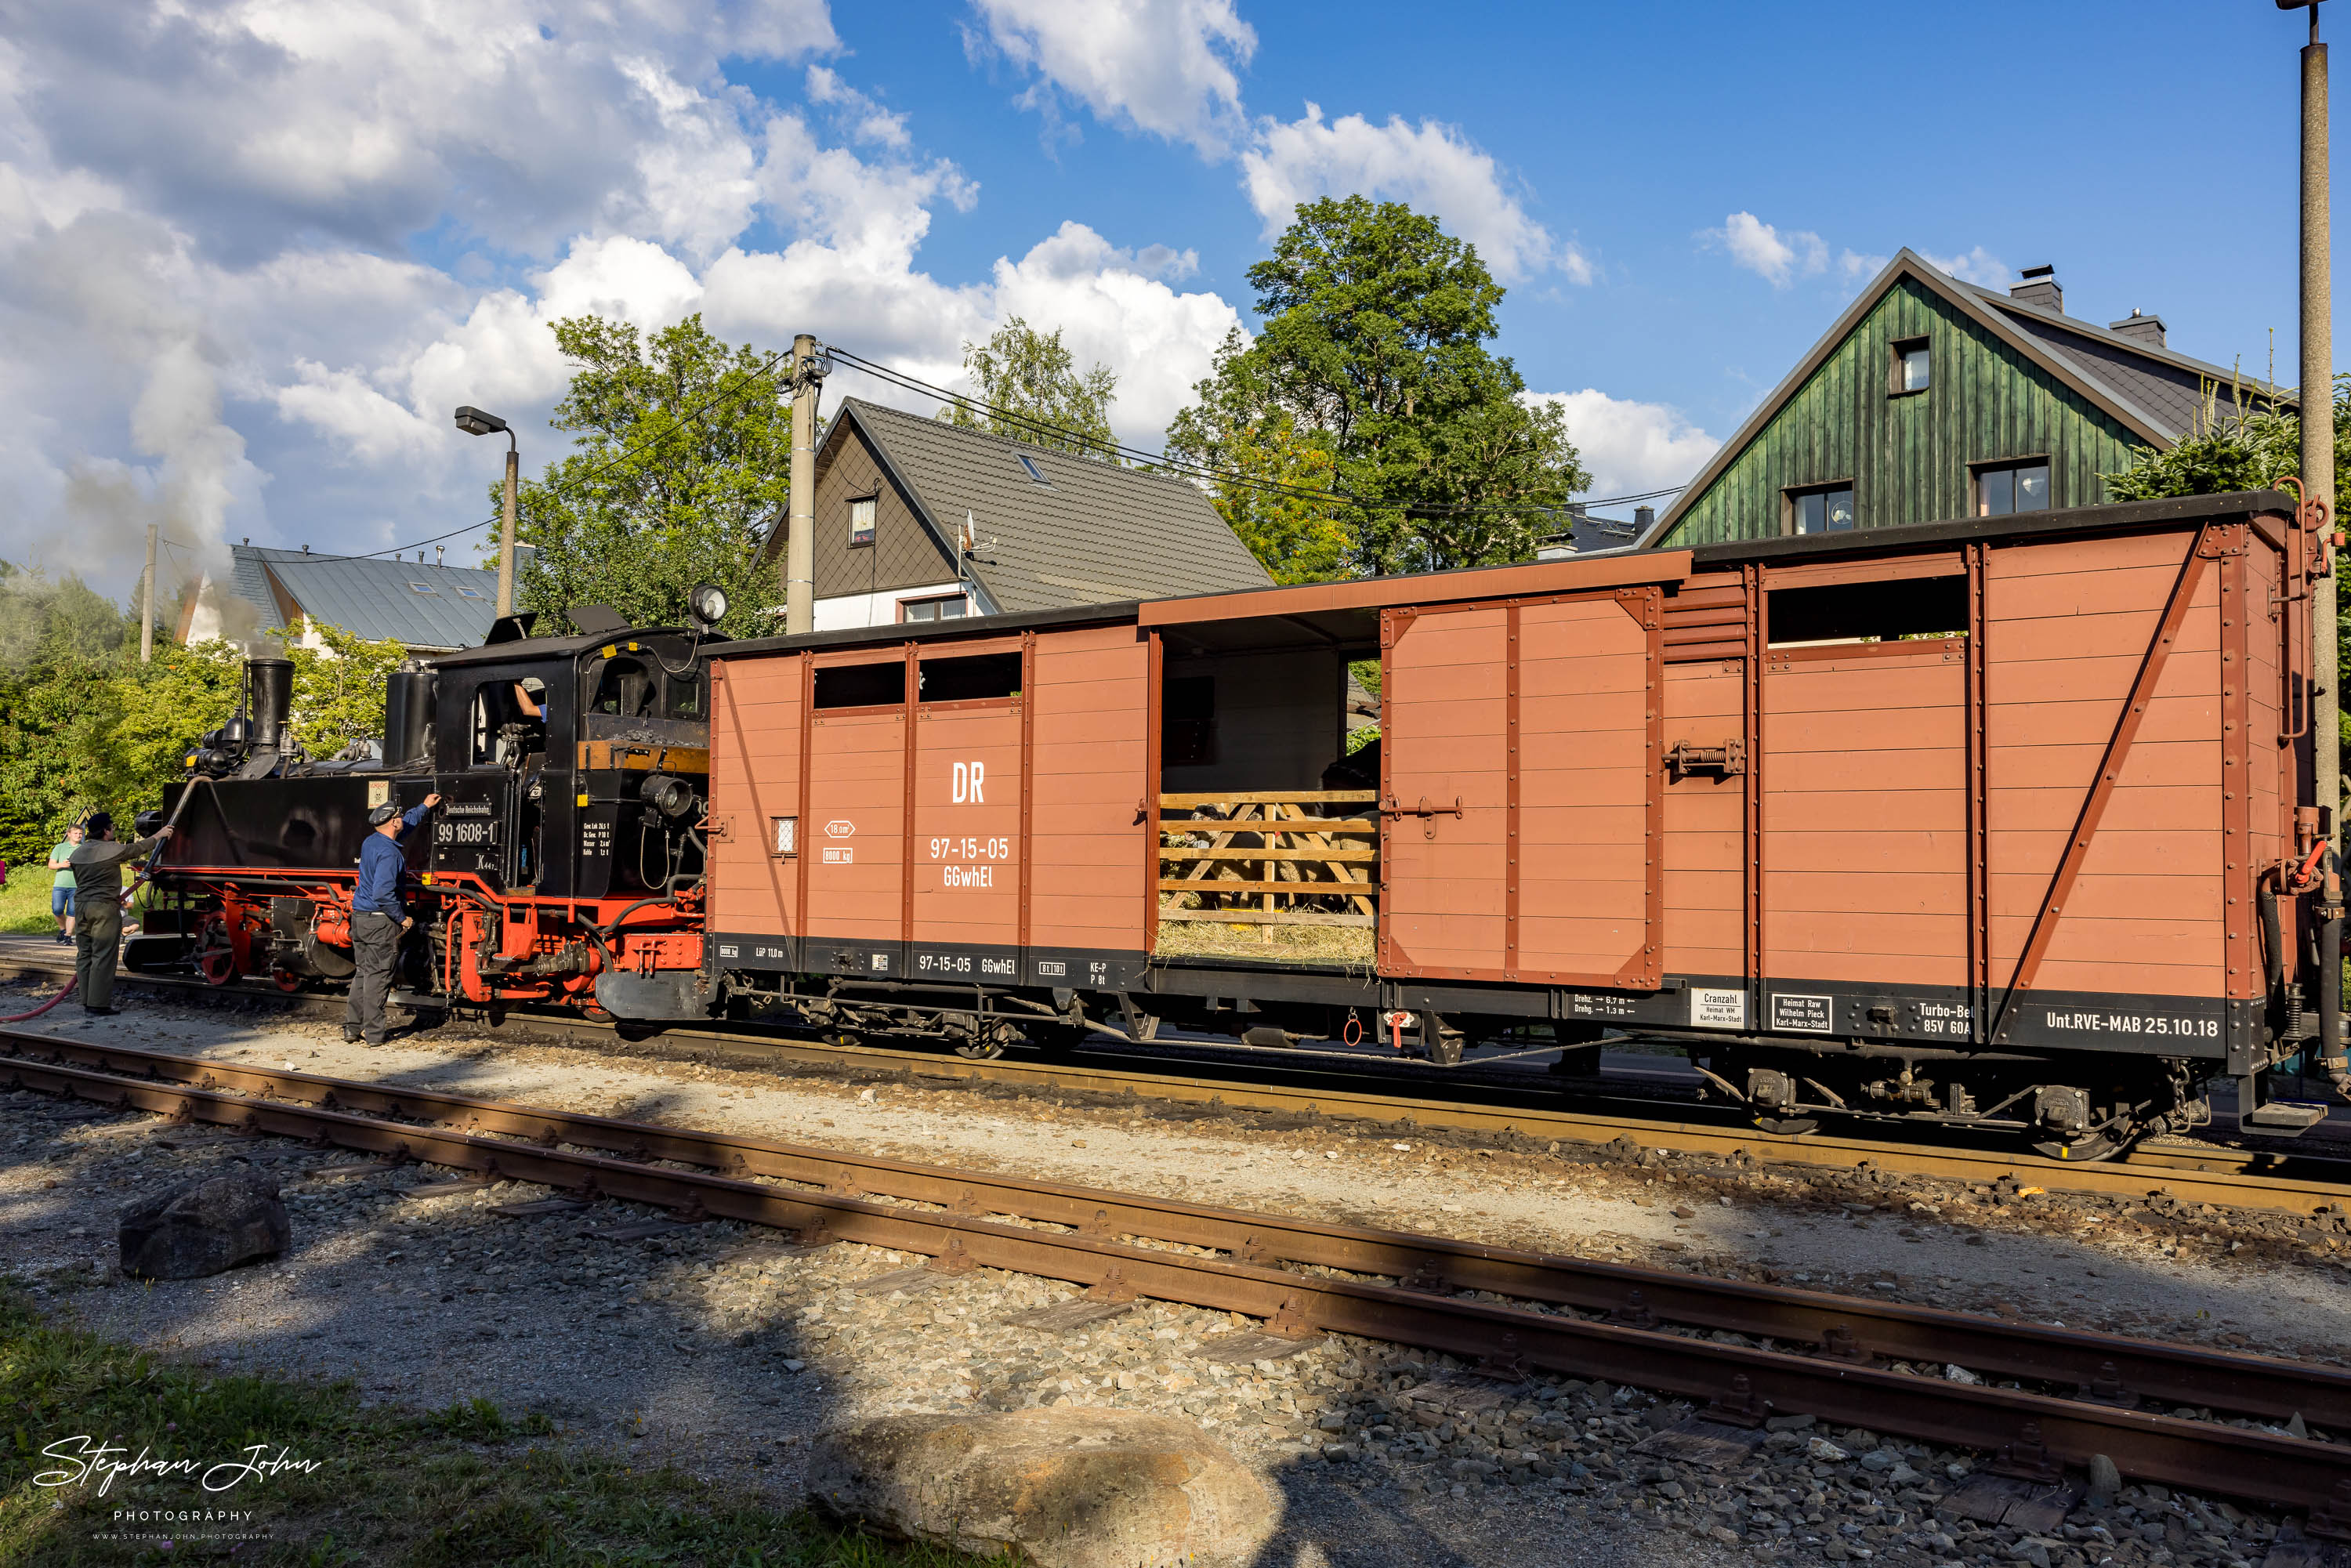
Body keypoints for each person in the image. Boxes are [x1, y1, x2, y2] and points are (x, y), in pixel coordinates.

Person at [348, 793, 442, 1045]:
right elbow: (382, 892)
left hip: (360, 918)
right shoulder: (390, 854)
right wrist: (402, 918)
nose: (401, 818)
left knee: (362, 975)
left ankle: (352, 1030)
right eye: (398, 817)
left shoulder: (372, 842)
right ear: (393, 824)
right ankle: (375, 1036)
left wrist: (423, 806)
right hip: (380, 921)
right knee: (379, 978)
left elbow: (407, 824)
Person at [69, 813, 171, 1016]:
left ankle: (86, 1000)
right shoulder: (112, 850)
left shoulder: (78, 853)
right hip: (104, 908)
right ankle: (97, 1004)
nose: (113, 832)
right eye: (112, 828)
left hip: (80, 907)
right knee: (103, 954)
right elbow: (138, 849)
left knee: (85, 953)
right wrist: (160, 834)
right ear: (106, 831)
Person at [47, 823, 83, 944]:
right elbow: (51, 865)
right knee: (57, 909)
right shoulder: (60, 847)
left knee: (72, 912)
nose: (78, 836)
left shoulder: (83, 848)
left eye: (80, 834)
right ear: (69, 834)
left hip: (77, 885)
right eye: (76, 833)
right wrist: (62, 865)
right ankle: (63, 930)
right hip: (60, 885)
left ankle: (68, 936)